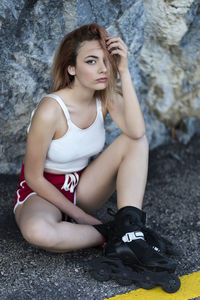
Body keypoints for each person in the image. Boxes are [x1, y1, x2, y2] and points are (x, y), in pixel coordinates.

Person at [14, 23, 149, 253]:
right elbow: (33, 177)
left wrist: (124, 71)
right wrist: (81, 216)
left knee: (136, 142)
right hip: (43, 191)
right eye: (91, 61)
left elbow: (137, 133)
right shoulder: (51, 110)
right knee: (38, 231)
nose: (103, 69)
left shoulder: (104, 98)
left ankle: (130, 229)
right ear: (71, 68)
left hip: (81, 187)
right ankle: (110, 236)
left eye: (107, 60)